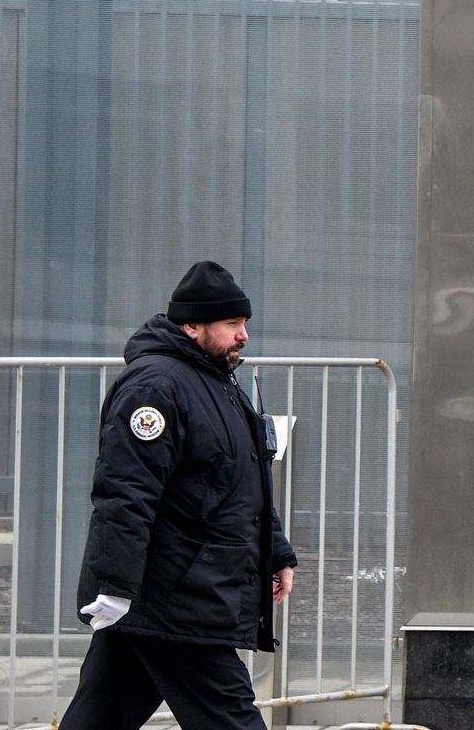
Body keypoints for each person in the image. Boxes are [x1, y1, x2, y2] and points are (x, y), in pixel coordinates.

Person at [60, 260, 296, 730]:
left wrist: (276, 552)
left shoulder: (216, 384)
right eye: (232, 324)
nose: (243, 335)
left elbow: (242, 483)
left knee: (100, 717)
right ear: (192, 326)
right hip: (175, 593)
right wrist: (115, 586)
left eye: (244, 323)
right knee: (231, 718)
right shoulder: (157, 387)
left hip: (177, 590)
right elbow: (126, 492)